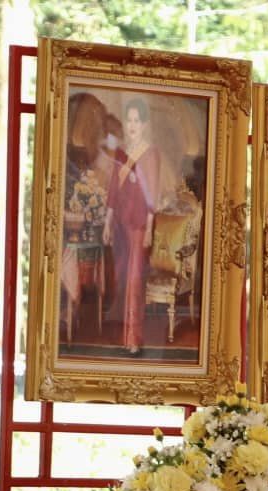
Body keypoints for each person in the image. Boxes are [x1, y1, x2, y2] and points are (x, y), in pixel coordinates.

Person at [104, 97, 164, 356]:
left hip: (140, 225)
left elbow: (153, 194)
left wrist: (150, 227)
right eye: (128, 120)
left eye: (136, 121)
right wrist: (107, 222)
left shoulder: (151, 154)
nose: (131, 125)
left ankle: (134, 339)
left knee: (135, 281)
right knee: (121, 280)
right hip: (119, 224)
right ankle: (123, 336)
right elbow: (113, 191)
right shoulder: (120, 153)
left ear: (144, 124)